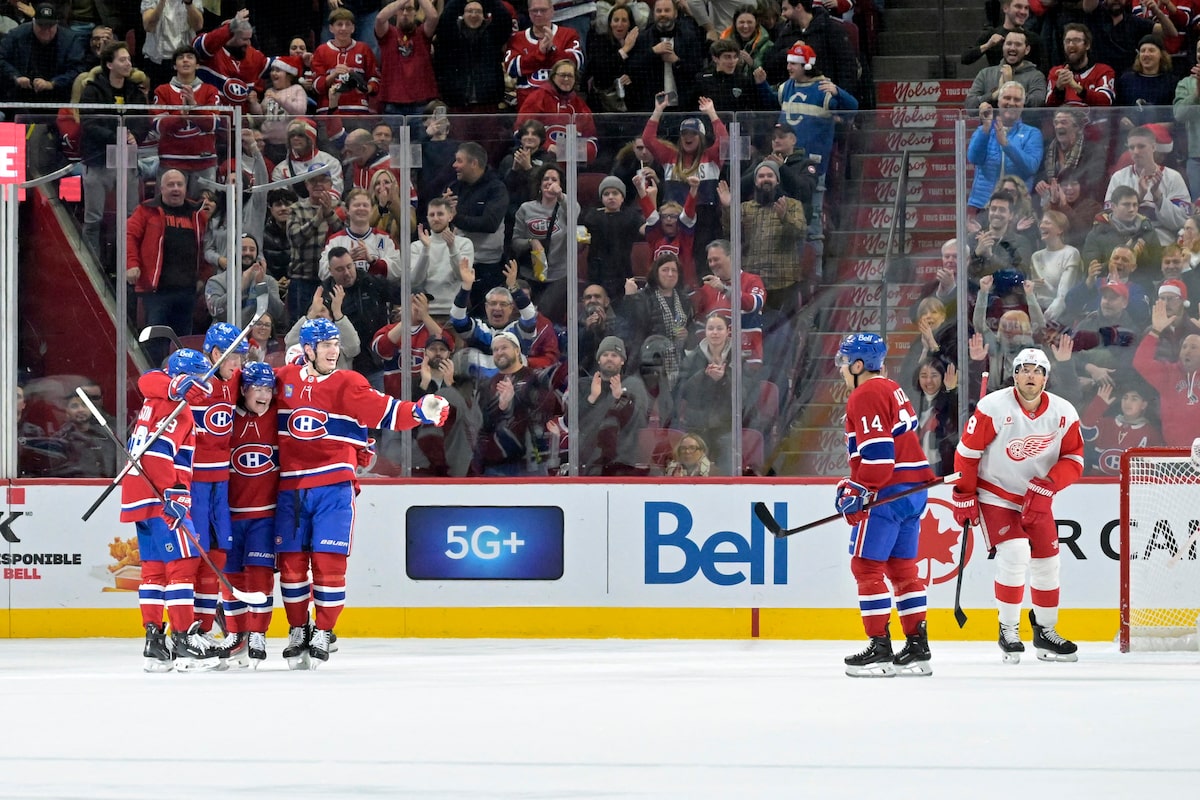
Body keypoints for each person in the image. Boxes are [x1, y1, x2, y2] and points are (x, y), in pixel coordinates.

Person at [273, 317, 449, 667]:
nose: (333, 351)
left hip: (332, 488)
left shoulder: (347, 383)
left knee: (328, 564)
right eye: (325, 345)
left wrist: (420, 411)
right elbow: (241, 392)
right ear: (307, 349)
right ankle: (298, 628)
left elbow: (387, 412)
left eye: (335, 344)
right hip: (290, 489)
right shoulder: (284, 381)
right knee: (292, 567)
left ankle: (323, 630)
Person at [953, 348, 1085, 664]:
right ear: (1015, 375)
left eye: (1037, 371)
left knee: (1047, 562)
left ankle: (1045, 631)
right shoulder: (993, 407)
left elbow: (1074, 459)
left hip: (1036, 497)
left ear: (1046, 377)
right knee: (1015, 554)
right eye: (1024, 370)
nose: (1030, 376)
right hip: (995, 493)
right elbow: (967, 453)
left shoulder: (1064, 412)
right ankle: (1008, 629)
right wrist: (963, 493)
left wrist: (1049, 485)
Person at [833, 333, 935, 678]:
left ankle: (880, 648)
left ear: (860, 365)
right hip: (913, 491)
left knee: (866, 568)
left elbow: (878, 458)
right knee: (903, 570)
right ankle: (917, 647)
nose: (842, 369)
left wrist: (858, 489)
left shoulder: (866, 393)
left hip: (888, 493)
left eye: (846, 362)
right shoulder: (891, 387)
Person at [121, 347, 219, 671]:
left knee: (153, 570)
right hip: (160, 496)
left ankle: (154, 642)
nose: (203, 383)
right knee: (181, 564)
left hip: (138, 496)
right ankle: (182, 638)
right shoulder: (179, 409)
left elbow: (149, 382)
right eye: (199, 376)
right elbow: (159, 455)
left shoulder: (155, 401)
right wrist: (172, 496)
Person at [224, 360, 279, 666]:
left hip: (265, 516)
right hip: (230, 514)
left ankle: (258, 632)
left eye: (269, 388)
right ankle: (235, 633)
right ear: (243, 390)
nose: (264, 395)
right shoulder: (226, 419)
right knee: (230, 577)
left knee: (258, 576)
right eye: (257, 388)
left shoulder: (278, 417)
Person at [126, 169, 207, 368]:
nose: (175, 189)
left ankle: (181, 379)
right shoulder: (146, 210)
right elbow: (129, 236)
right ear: (161, 188)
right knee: (155, 340)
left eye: (179, 184)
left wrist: (203, 277)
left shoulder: (197, 214)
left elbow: (205, 246)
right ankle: (154, 377)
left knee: (182, 341)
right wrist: (132, 264)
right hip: (157, 291)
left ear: (185, 188)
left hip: (187, 290)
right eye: (170, 185)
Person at [575, 335, 649, 475]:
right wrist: (592, 398)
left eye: (614, 355)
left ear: (622, 361)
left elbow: (639, 423)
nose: (609, 358)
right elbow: (571, 422)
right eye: (605, 354)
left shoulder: (633, 385)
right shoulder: (584, 386)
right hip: (587, 465)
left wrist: (620, 399)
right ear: (599, 359)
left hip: (622, 465)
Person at [967, 81, 1043, 213]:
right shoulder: (984, 130)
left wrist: (1006, 144)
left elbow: (1031, 167)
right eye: (1007, 98)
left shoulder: (1032, 133)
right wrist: (985, 129)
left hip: (1018, 206)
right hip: (984, 204)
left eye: (1017, 99)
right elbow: (974, 158)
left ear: (1023, 105)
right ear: (998, 102)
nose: (1012, 103)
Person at [193, 8, 268, 109]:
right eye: (244, 39)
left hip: (239, 121)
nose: (248, 43)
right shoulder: (210, 49)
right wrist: (230, 27)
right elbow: (201, 46)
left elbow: (276, 64)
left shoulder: (253, 57)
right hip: (208, 117)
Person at [412, 196, 475, 318]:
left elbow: (462, 276)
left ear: (450, 216)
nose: (435, 218)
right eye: (432, 215)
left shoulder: (464, 243)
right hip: (424, 313)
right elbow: (414, 281)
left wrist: (452, 247)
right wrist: (425, 250)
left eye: (440, 214)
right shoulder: (416, 246)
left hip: (455, 313)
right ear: (427, 218)